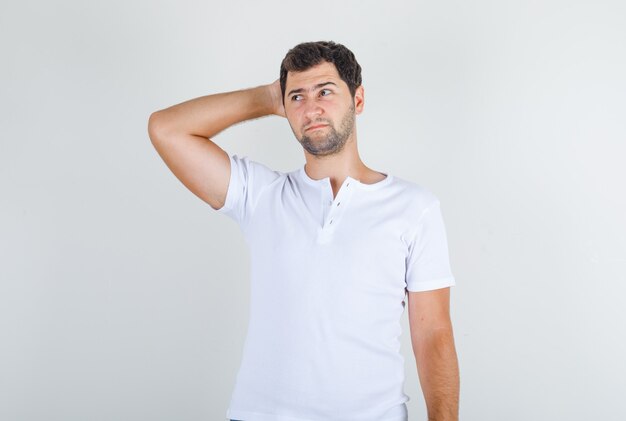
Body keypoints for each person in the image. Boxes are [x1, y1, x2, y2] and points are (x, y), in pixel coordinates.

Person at [148, 41, 459, 421]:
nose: (311, 108)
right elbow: (166, 129)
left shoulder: (414, 207)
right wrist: (268, 97)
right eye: (297, 96)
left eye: (325, 91)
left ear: (357, 100)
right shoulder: (260, 196)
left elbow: (433, 335)